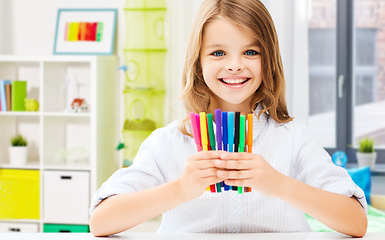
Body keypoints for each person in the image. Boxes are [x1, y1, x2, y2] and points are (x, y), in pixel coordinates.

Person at [89, 0, 367, 237]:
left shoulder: (293, 138)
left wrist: (279, 184)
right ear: (198, 63)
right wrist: (180, 189)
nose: (235, 64)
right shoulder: (166, 143)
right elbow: (101, 222)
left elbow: (356, 221)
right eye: (218, 52)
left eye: (250, 52)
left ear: (268, 60)